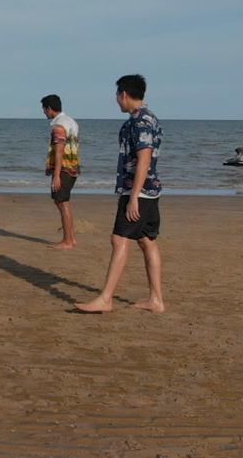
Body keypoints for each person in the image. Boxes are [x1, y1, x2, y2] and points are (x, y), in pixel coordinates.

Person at [76, 74, 166, 314]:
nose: (116, 100)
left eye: (117, 96)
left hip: (139, 191)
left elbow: (144, 157)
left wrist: (134, 196)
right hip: (150, 190)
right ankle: (156, 300)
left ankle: (106, 298)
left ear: (124, 94)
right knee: (147, 241)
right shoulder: (149, 118)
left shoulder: (140, 121)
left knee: (119, 239)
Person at [40, 94, 80, 249]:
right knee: (62, 202)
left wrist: (56, 175)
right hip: (72, 167)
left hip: (63, 169)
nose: (44, 113)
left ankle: (68, 241)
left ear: (49, 109)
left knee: (62, 203)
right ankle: (71, 238)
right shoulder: (71, 121)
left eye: (44, 110)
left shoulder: (59, 125)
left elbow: (59, 150)